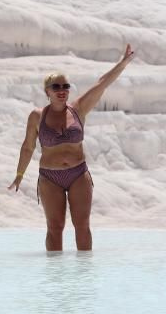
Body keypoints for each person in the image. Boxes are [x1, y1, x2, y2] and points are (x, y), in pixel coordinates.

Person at [8, 44, 135, 251]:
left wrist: (123, 63)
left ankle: (83, 278)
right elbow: (28, 147)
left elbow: (102, 84)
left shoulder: (78, 109)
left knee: (82, 226)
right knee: (55, 227)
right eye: (56, 87)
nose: (62, 91)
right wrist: (20, 174)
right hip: (50, 177)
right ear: (47, 91)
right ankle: (56, 279)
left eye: (65, 87)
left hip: (78, 174)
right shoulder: (37, 116)